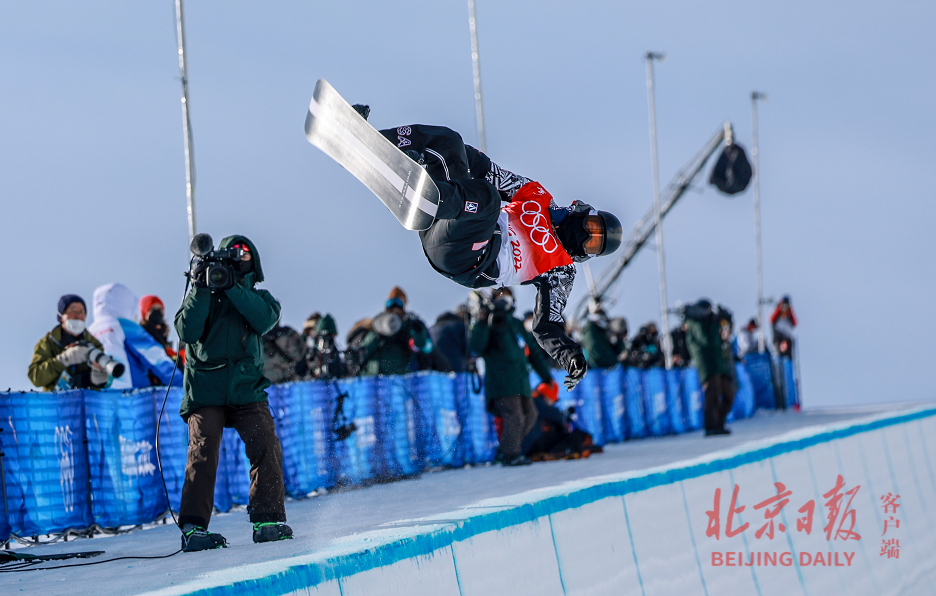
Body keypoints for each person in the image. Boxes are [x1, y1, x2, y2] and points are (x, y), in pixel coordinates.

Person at [365, 118, 623, 392]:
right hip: (447, 223)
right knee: (449, 140)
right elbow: (487, 169)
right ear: (585, 212)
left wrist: (570, 356)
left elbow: (547, 325)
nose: (588, 239)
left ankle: (431, 198)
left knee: (487, 200)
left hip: (470, 257)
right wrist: (452, 155)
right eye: (593, 229)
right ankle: (378, 143)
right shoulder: (537, 196)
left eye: (594, 245)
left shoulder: (561, 271)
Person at [174, 235, 292, 552]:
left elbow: (264, 319)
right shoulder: (202, 295)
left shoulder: (260, 298)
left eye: (244, 253)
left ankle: (268, 520)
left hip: (246, 389)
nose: (238, 257)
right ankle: (194, 528)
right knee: (203, 450)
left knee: (265, 443)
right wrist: (200, 287)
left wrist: (232, 288)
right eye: (233, 253)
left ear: (253, 262)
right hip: (205, 391)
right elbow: (187, 331)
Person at [469, 287, 555, 466]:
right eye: (500, 297)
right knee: (514, 416)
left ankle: (505, 450)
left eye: (507, 296)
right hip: (501, 383)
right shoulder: (489, 322)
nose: (504, 300)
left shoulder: (516, 324)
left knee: (531, 415)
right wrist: (482, 322)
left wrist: (546, 376)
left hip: (520, 382)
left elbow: (532, 353)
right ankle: (510, 455)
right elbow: (476, 346)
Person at [87, 283, 176, 390]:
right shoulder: (125, 326)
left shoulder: (90, 331)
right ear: (125, 302)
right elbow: (157, 360)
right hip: (132, 398)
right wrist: (186, 386)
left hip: (97, 399)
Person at [28, 294, 110, 391]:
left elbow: (103, 383)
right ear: (61, 316)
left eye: (82, 311)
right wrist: (63, 360)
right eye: (73, 311)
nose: (78, 315)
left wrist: (99, 374)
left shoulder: (94, 344)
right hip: (58, 404)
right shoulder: (48, 343)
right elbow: (36, 377)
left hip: (87, 404)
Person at [684, 299, 736, 436]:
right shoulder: (694, 323)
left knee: (728, 394)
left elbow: (720, 339)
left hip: (718, 364)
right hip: (707, 365)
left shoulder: (708, 322)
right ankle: (711, 426)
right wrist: (715, 323)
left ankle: (719, 423)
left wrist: (724, 322)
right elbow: (707, 340)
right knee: (712, 395)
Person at [356, 287, 434, 376]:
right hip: (376, 378)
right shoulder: (377, 330)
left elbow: (425, 347)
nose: (395, 309)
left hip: (405, 377)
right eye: (391, 304)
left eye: (398, 304)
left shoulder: (411, 327)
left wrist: (418, 333)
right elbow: (365, 350)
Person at [429, 305, 471, 373]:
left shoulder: (432, 328)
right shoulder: (460, 326)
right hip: (455, 370)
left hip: (433, 372)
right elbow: (469, 350)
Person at [579, 302, 619, 369]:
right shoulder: (591, 333)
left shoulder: (598, 332)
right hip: (595, 370)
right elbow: (596, 355)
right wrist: (616, 360)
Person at [140, 295, 178, 360]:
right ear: (145, 312)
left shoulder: (163, 334)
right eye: (153, 309)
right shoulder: (141, 334)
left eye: (159, 309)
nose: (157, 312)